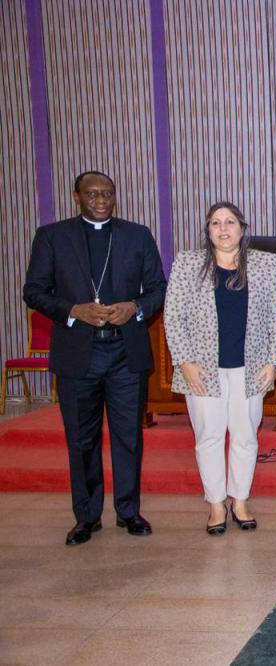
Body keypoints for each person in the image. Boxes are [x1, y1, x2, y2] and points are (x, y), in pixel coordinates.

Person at [23, 171, 166, 546]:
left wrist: (134, 307)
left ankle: (128, 511)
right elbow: (34, 291)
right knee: (81, 439)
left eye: (107, 193)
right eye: (92, 194)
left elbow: (157, 288)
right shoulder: (52, 236)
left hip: (125, 353)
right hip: (78, 355)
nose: (101, 200)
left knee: (128, 437)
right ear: (77, 197)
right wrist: (73, 311)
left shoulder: (137, 235)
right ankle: (86, 517)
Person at [164, 202, 276, 535]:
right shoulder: (187, 263)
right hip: (202, 369)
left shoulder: (265, 263)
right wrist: (184, 362)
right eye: (215, 223)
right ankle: (216, 504)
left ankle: (240, 501)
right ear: (208, 230)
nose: (223, 229)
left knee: (245, 436)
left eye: (230, 222)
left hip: (252, 367)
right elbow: (173, 317)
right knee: (209, 437)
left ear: (242, 228)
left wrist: (274, 362)